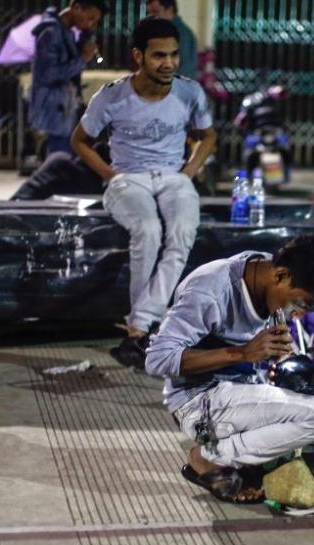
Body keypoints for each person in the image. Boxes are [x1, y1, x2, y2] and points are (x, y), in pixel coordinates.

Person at [145, 235, 314, 503]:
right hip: (199, 400)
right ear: (281, 276)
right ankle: (209, 458)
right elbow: (157, 359)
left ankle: (258, 452)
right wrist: (242, 353)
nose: (298, 315)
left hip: (248, 387)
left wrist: (288, 365)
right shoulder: (210, 289)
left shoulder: (268, 274)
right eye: (302, 304)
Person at [71, 16, 217, 368]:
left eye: (173, 55)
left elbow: (208, 135)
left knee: (182, 233)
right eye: (158, 55)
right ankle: (146, 325)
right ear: (138, 56)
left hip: (173, 177)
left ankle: (138, 327)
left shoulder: (189, 92)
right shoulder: (112, 96)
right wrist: (110, 174)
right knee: (148, 230)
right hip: (128, 179)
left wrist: (189, 171)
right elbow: (80, 140)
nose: (168, 63)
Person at [31, 1, 104, 157]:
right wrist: (82, 59)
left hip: (64, 111)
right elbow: (47, 74)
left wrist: (83, 42)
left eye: (95, 21)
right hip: (53, 114)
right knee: (58, 161)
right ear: (76, 7)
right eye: (90, 18)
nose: (90, 24)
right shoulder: (51, 33)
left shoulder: (66, 33)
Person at [145, 0, 198, 80]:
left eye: (156, 12)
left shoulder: (179, 33)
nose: (151, 17)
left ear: (170, 10)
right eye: (149, 13)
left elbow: (178, 68)